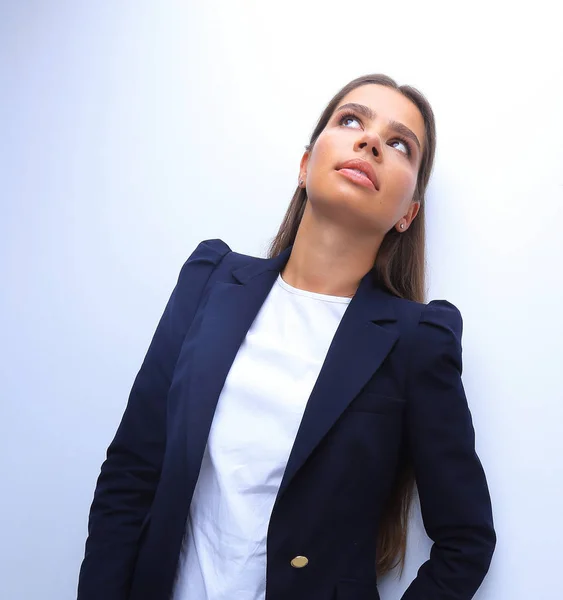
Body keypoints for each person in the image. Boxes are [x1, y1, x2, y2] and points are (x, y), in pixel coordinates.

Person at [77, 73, 496, 600]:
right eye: (350, 121)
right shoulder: (210, 281)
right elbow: (131, 474)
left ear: (407, 214)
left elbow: (467, 541)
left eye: (399, 144)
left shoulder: (417, 341)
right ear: (305, 165)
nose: (369, 142)